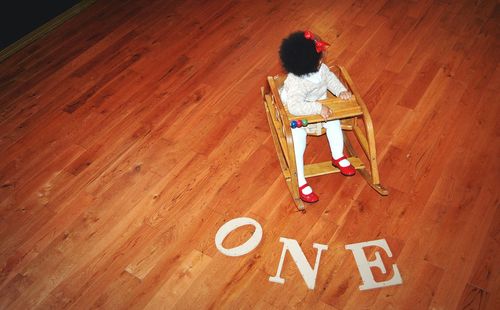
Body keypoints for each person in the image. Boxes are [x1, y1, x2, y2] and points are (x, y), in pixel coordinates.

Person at [279, 30, 355, 203]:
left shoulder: (322, 69)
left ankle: (338, 155)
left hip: (317, 104)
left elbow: (330, 79)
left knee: (334, 121)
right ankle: (299, 179)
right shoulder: (296, 81)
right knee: (298, 138)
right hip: (295, 108)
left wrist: (341, 90)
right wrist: (317, 107)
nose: (322, 62)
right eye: (320, 59)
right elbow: (295, 106)